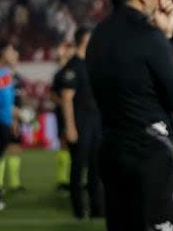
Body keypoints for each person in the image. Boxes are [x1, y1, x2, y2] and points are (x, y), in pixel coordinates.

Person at [87, 0, 173, 231]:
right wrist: (167, 36)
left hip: (110, 149)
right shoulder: (149, 36)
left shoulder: (97, 36)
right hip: (148, 154)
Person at [61, 26, 104, 219]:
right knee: (78, 167)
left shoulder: (95, 63)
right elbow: (66, 98)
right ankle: (79, 210)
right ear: (83, 40)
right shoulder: (73, 66)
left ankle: (97, 209)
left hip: (97, 120)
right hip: (80, 121)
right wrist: (70, 126)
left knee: (97, 167)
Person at [0, 40, 17, 210]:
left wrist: (14, 119)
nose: (14, 53)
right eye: (11, 50)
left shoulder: (7, 74)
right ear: (2, 53)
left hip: (5, 123)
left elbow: (8, 101)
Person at [50, 35, 74, 192]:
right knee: (64, 145)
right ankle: (62, 180)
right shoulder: (60, 74)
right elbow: (52, 95)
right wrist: (65, 103)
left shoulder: (78, 69)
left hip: (78, 113)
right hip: (63, 113)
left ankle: (72, 179)